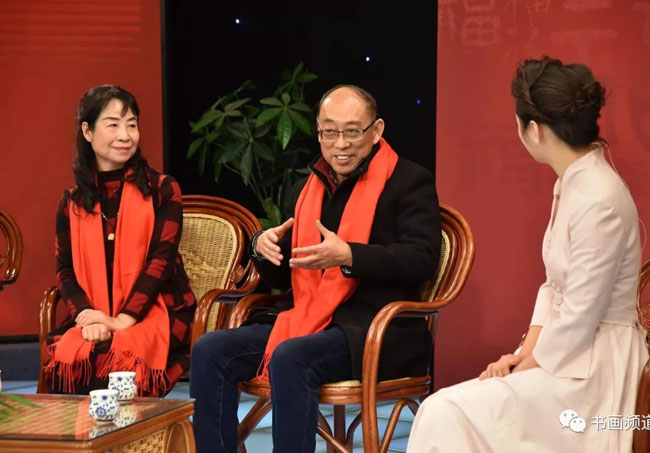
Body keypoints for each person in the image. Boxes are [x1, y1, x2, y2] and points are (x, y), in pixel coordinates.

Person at [407, 56, 648, 452]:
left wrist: (527, 363)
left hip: (596, 370)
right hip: (566, 354)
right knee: (446, 409)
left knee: (444, 410)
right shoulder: (573, 183)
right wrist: (522, 353)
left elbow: (581, 312)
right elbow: (554, 288)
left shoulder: (598, 197)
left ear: (534, 130)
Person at [190, 85, 442, 452]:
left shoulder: (408, 181)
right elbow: (285, 277)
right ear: (319, 133)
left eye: (352, 131)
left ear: (376, 130)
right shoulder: (306, 189)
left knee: (292, 356)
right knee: (211, 349)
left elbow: (422, 259)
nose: (340, 144)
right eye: (329, 132)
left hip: (373, 327)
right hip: (306, 317)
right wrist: (263, 248)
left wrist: (350, 256)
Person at [43, 85, 196, 397]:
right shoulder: (72, 202)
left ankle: (132, 429)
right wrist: (86, 317)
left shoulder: (163, 189)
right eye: (113, 125)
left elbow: (160, 263)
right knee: (71, 355)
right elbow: (65, 272)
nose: (125, 136)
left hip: (156, 310)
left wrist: (121, 320)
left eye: (132, 125)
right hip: (95, 314)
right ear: (87, 132)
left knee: (113, 358)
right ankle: (90, 431)